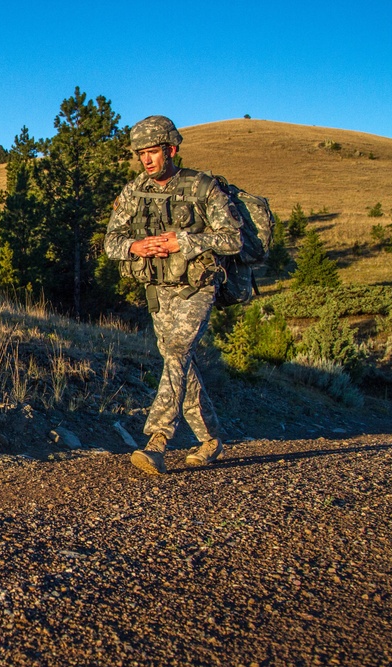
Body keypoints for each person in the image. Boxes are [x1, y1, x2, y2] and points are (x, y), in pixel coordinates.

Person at [104, 115, 243, 475]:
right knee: (177, 361)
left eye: (152, 152)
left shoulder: (202, 187)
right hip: (158, 289)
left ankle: (156, 442)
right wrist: (136, 245)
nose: (146, 160)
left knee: (178, 352)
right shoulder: (134, 191)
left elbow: (232, 238)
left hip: (197, 286)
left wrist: (186, 240)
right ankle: (211, 438)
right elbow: (110, 244)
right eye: (141, 154)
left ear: (172, 149)